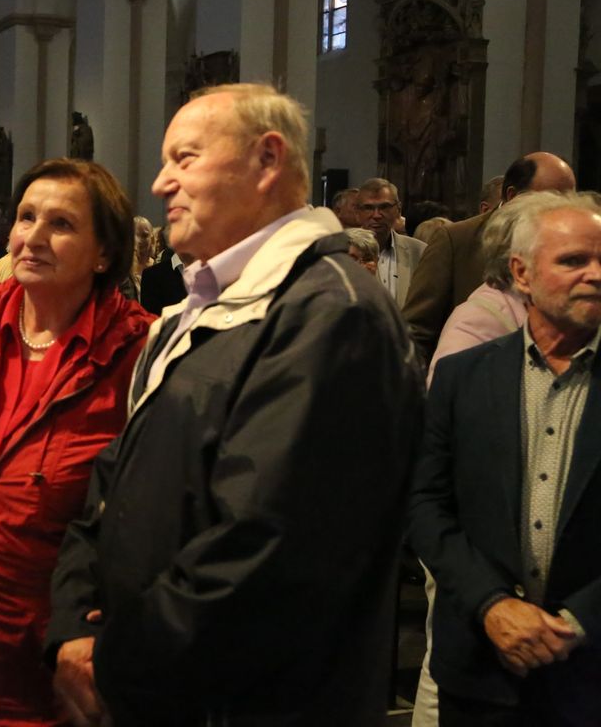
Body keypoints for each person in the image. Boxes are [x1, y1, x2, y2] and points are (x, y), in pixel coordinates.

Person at [45, 83, 423, 726]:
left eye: (184, 158)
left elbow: (265, 551)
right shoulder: (198, 308)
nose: (161, 184)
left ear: (268, 160)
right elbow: (115, 479)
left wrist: (114, 663)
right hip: (161, 683)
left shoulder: (332, 314)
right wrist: (72, 623)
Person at [0, 158, 154, 726]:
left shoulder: (142, 353)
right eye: (26, 217)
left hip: (55, 683)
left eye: (61, 224)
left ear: (105, 253)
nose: (32, 237)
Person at [408, 192, 601, 726]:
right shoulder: (464, 376)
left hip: (590, 671)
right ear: (522, 273)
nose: (595, 274)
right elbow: (425, 503)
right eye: (573, 261)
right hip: (480, 662)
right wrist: (491, 603)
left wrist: (578, 622)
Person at [403, 152, 576, 365]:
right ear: (513, 196)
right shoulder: (457, 239)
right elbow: (416, 330)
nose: (564, 210)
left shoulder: (568, 243)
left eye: (570, 200)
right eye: (553, 199)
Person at [357, 177, 426, 306]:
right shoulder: (344, 252)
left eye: (384, 207)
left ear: (398, 210)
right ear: (358, 212)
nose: (376, 215)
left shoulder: (419, 252)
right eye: (368, 208)